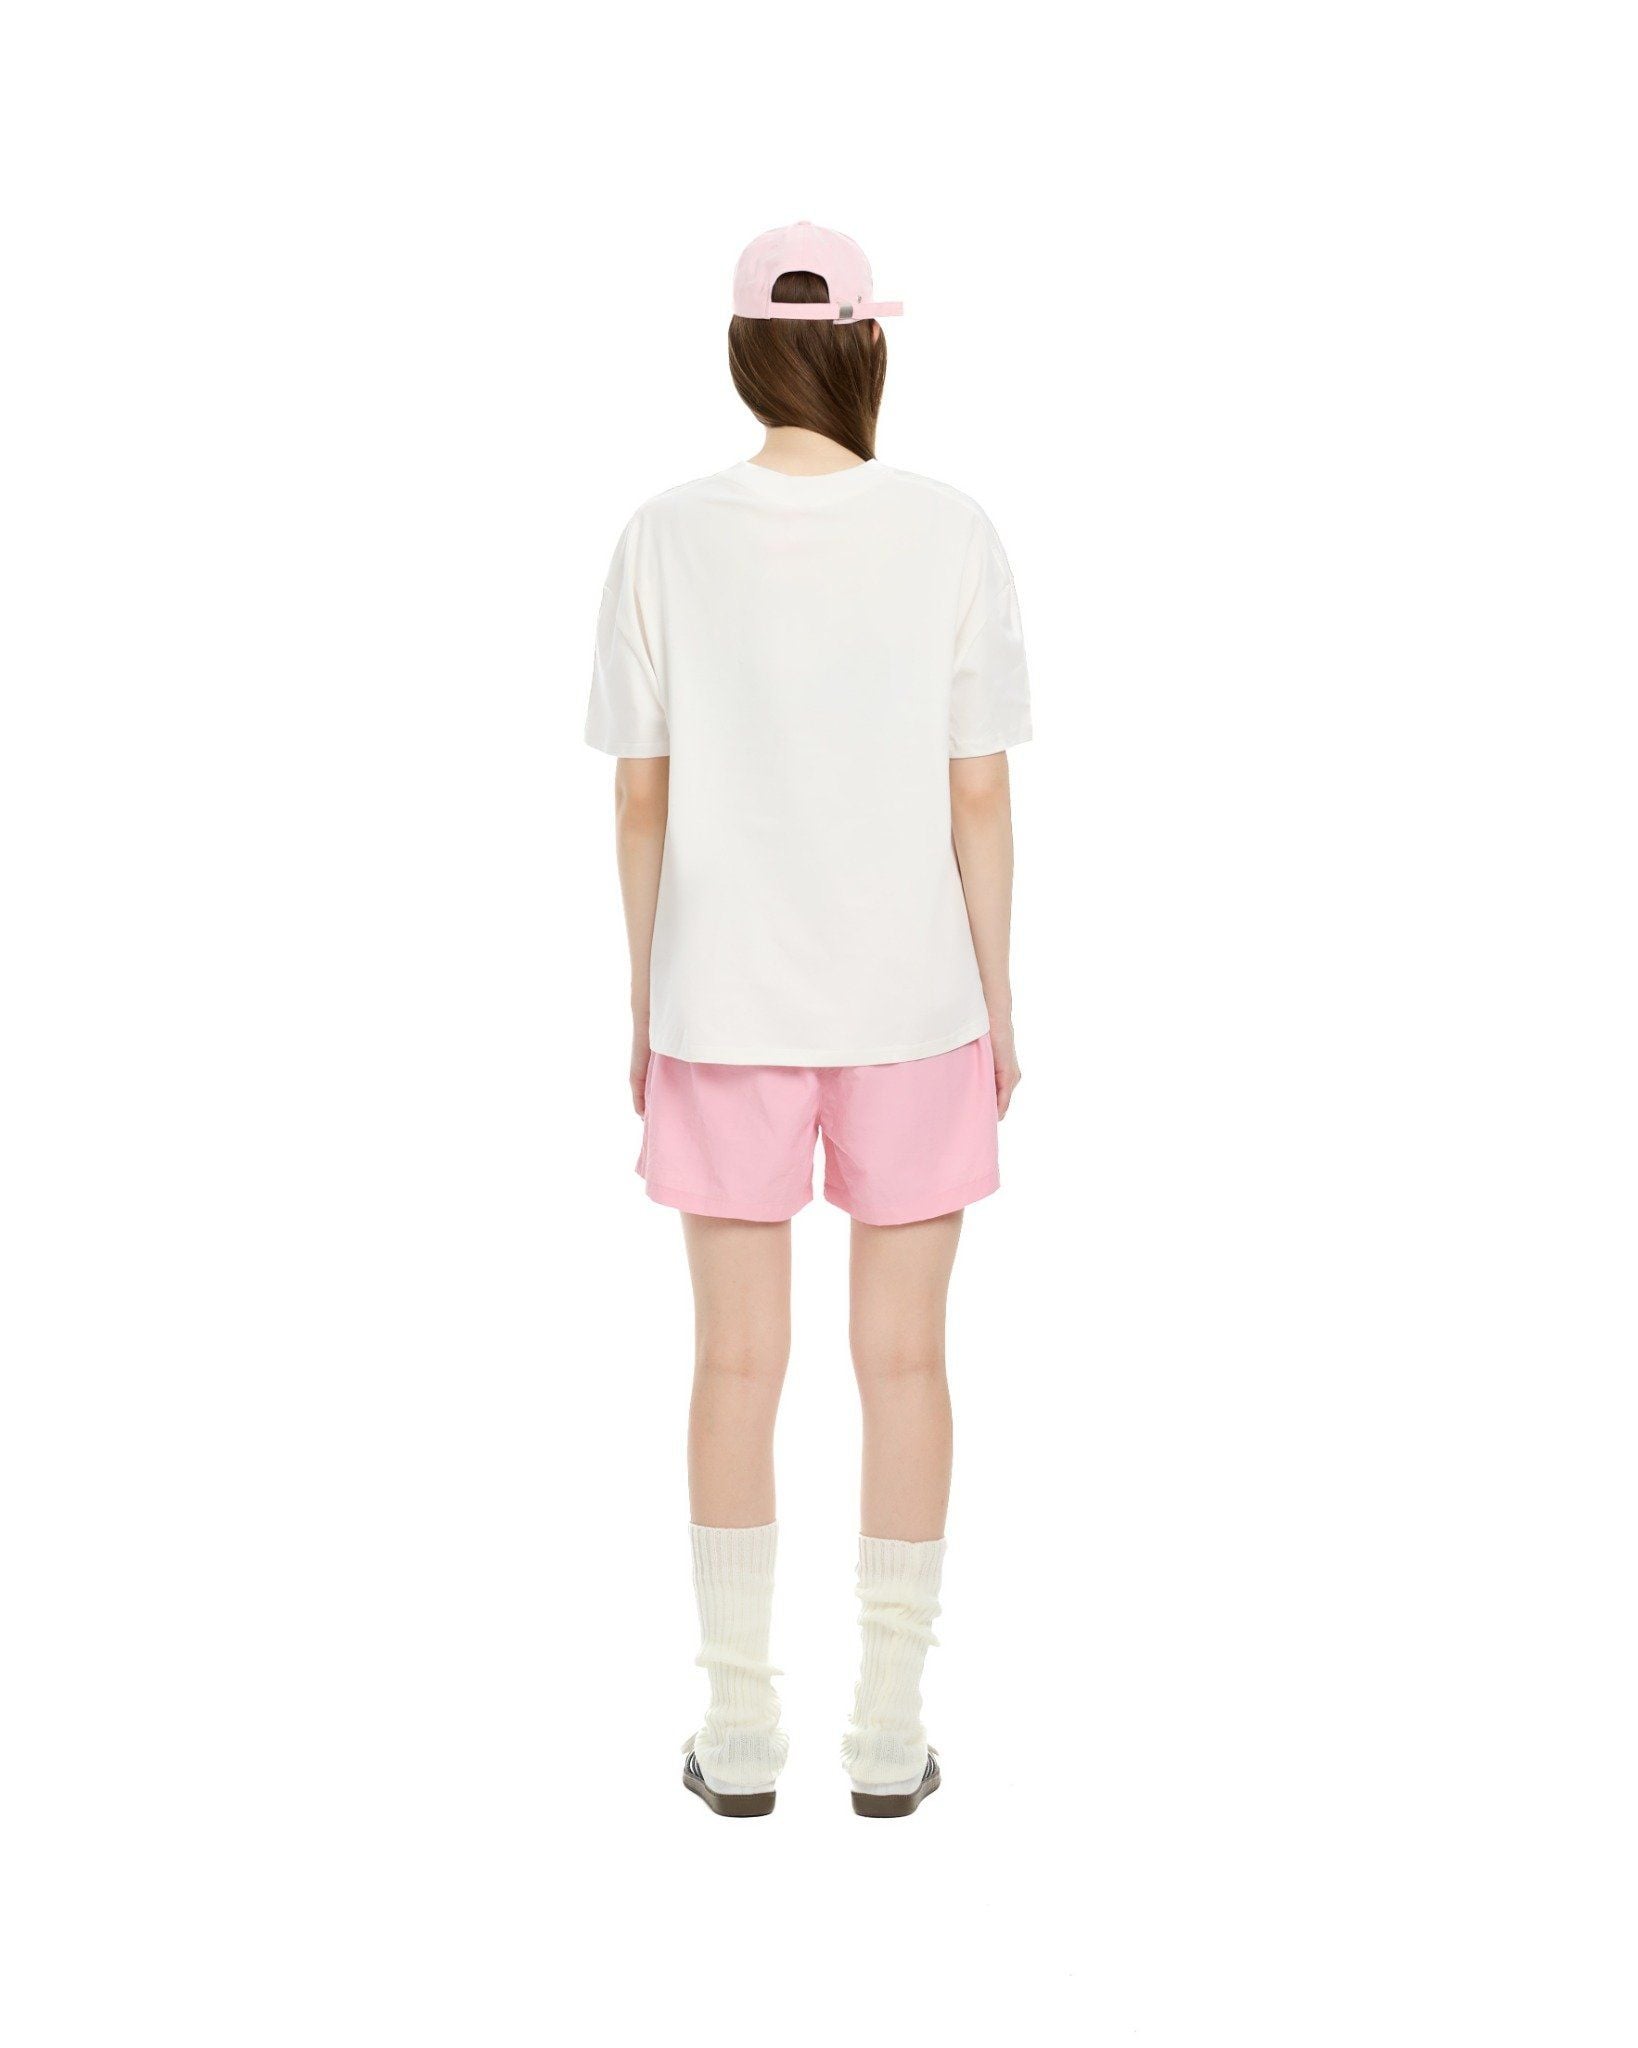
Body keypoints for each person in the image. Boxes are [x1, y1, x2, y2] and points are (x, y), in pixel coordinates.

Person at [585, 222, 1030, 1818]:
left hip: (720, 1003)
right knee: (904, 1361)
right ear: (863, 347)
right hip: (912, 1001)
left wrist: (644, 999)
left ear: (743, 351)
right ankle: (890, 1736)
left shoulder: (662, 535)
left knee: (732, 1363)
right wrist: (998, 997)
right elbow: (976, 793)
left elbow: (641, 800)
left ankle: (739, 1732)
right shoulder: (948, 529)